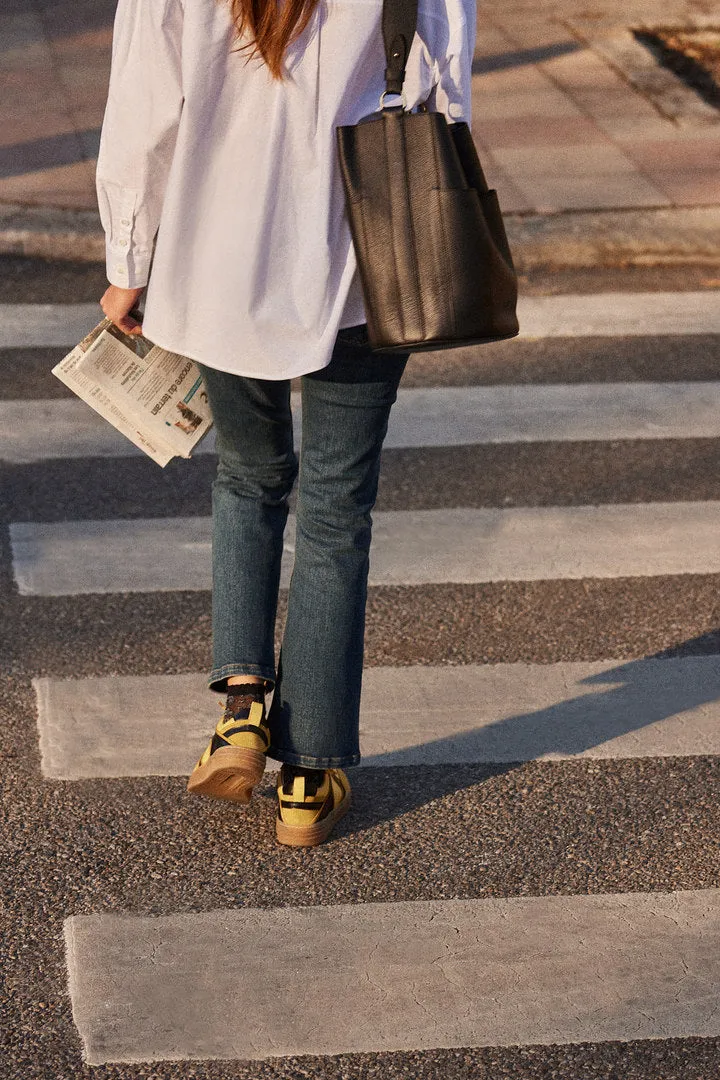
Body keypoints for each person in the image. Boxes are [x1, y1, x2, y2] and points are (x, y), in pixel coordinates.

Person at [97, 0, 476, 845]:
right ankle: (308, 779)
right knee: (337, 513)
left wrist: (127, 260)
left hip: (213, 258)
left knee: (248, 474)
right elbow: (443, 90)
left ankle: (240, 713)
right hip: (363, 258)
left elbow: (143, 108)